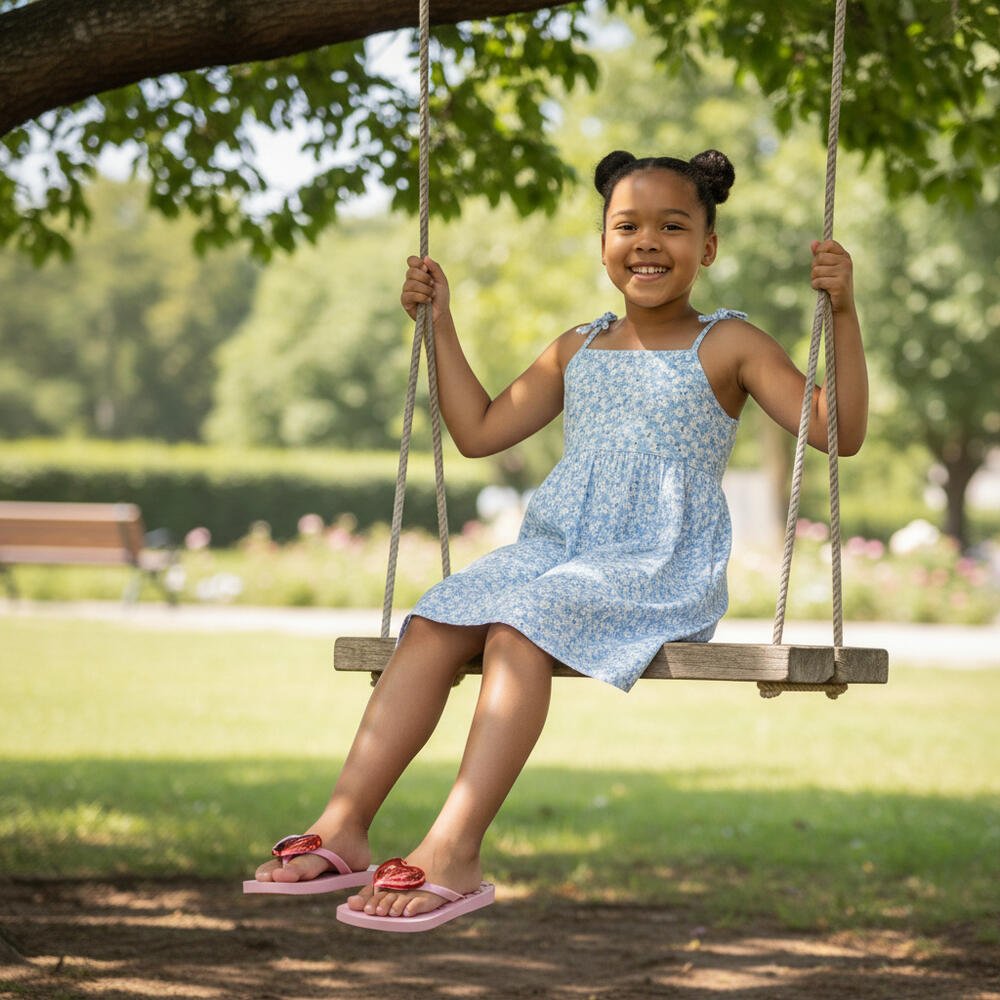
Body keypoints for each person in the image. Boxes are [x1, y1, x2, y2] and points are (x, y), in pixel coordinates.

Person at [243, 148, 870, 931]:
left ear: (708, 246)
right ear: (603, 243)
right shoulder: (578, 346)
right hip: (555, 554)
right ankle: (344, 824)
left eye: (673, 227)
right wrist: (438, 323)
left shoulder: (730, 343)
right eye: (627, 226)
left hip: (655, 563)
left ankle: (454, 849)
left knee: (519, 626)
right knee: (436, 616)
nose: (647, 242)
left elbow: (837, 433)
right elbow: (477, 431)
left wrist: (843, 314)